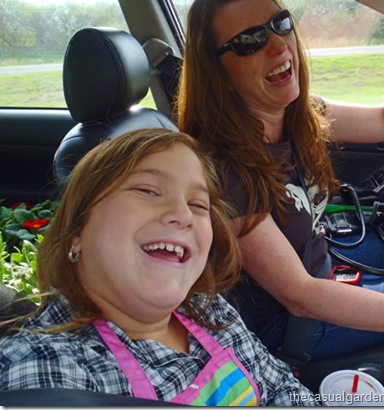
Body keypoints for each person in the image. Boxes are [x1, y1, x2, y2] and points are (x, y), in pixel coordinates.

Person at [175, 0, 384, 362]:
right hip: (286, 322)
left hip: (319, 266)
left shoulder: (294, 113)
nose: (279, 46)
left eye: (280, 23)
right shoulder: (223, 171)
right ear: (217, 71)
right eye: (250, 41)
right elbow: (300, 294)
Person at [0, 129, 319, 406]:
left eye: (198, 204)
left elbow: (282, 388)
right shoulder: (49, 368)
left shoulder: (208, 311)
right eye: (148, 190)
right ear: (76, 233)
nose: (183, 214)